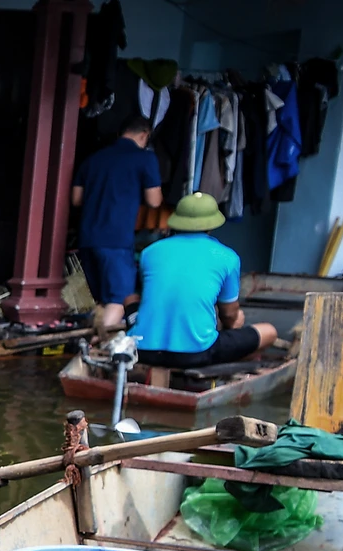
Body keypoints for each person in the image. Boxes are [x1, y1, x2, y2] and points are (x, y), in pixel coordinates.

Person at [129, 192, 279, 368]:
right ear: (211, 226)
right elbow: (229, 315)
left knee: (132, 299)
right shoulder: (227, 257)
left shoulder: (149, 252)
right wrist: (234, 322)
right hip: (194, 354)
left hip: (141, 351)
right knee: (268, 331)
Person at [70, 112, 163, 335]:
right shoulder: (145, 158)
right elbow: (154, 200)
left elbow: (76, 200)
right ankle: (100, 350)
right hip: (116, 239)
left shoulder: (93, 159)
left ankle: (89, 346)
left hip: (87, 238)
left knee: (101, 299)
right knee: (118, 299)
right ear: (144, 135)